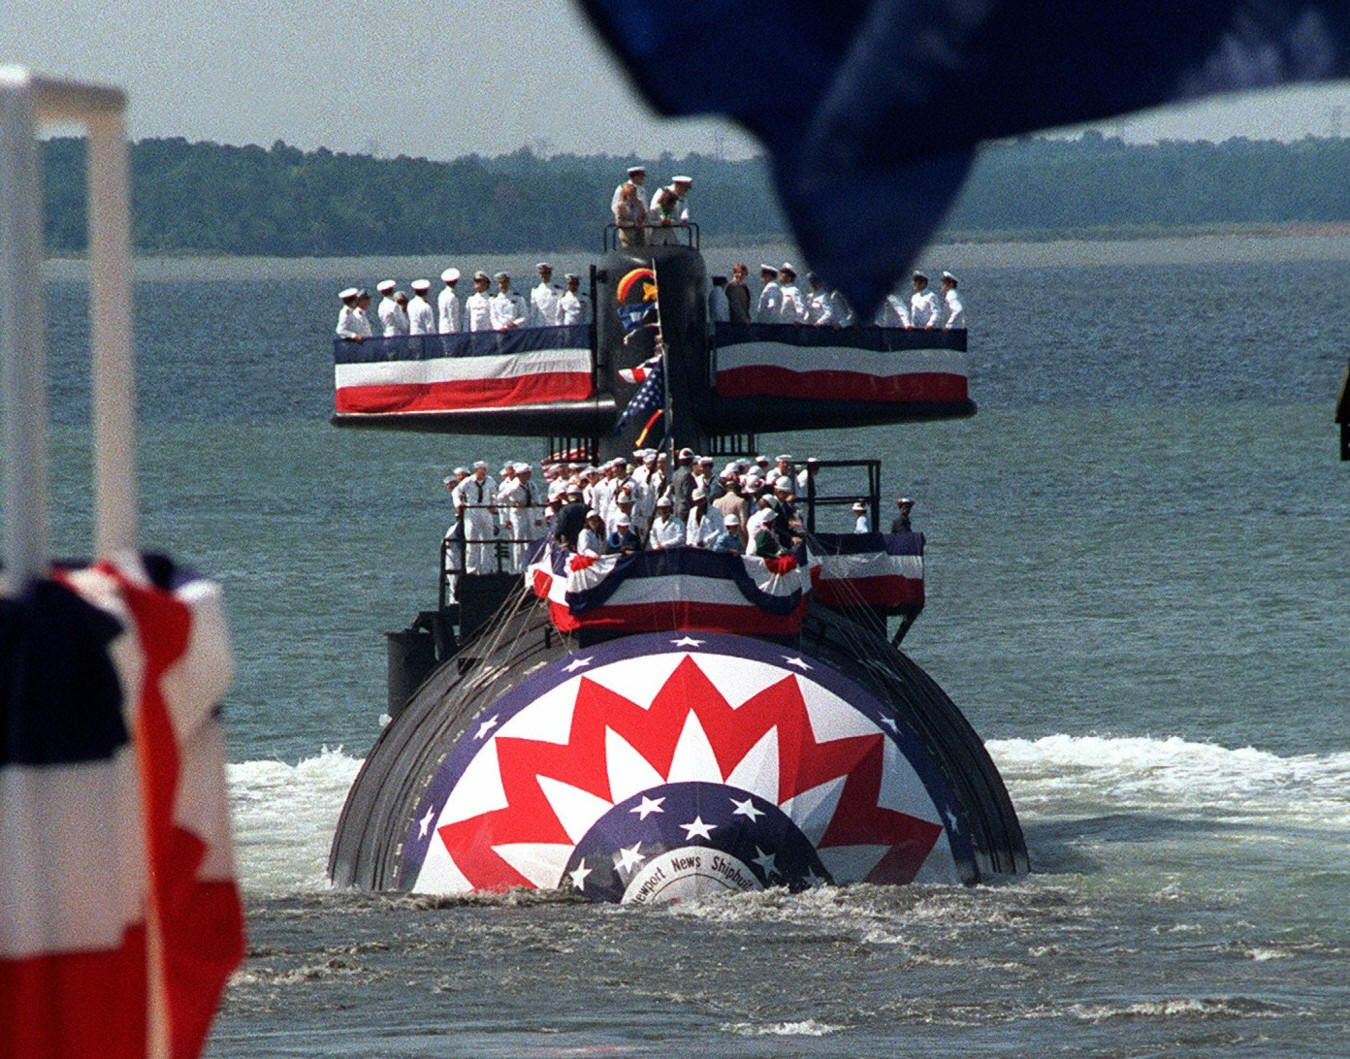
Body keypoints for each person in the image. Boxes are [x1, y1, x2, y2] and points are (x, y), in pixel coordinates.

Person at [453, 461, 498, 573]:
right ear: (476, 470)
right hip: (472, 510)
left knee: (488, 540)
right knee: (472, 541)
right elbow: (456, 492)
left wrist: (494, 505)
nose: (483, 472)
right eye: (481, 469)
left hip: (485, 510)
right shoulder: (468, 482)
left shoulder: (490, 481)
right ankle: (472, 569)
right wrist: (459, 505)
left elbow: (495, 494)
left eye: (485, 469)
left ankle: (487, 569)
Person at [648, 175, 692, 244]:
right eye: (685, 188)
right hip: (658, 237)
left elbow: (684, 210)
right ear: (678, 185)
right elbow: (653, 208)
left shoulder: (683, 197)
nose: (686, 191)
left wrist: (684, 219)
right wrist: (661, 222)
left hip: (673, 235)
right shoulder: (662, 191)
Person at [613, 181, 648, 249]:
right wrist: (632, 224)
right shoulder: (620, 206)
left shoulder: (639, 204)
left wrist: (642, 223)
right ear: (626, 195)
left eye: (634, 194)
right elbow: (619, 222)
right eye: (631, 194)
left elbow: (644, 216)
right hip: (628, 237)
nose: (633, 196)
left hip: (640, 235)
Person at [438, 268, 463, 334]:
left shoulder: (442, 294)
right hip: (451, 331)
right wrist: (455, 331)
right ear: (456, 281)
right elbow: (452, 316)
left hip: (443, 329)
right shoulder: (452, 296)